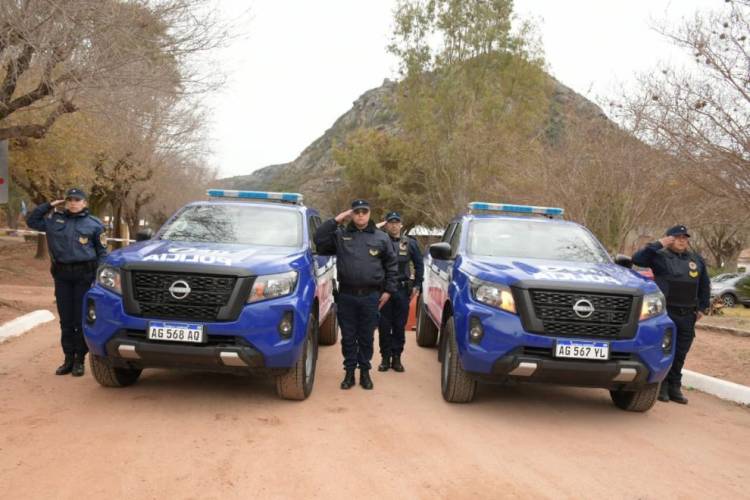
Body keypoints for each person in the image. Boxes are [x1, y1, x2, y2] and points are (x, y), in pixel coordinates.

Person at [314, 199, 397, 390]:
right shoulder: (341, 235)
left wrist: (388, 291)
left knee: (366, 336)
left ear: (369, 213)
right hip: (347, 296)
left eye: (364, 211)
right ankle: (350, 373)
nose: (360, 215)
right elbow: (318, 240)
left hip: (371, 297)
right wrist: (337, 219)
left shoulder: (381, 237)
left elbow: (391, 266)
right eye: (356, 211)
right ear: (351, 214)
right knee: (349, 337)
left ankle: (365, 373)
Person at [26, 188, 108, 377]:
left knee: (80, 319)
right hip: (62, 275)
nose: (73, 203)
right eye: (69, 200)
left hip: (84, 276)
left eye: (77, 200)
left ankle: (80, 360)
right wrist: (49, 205)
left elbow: (103, 253)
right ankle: (68, 359)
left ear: (84, 203)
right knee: (66, 320)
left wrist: (98, 277)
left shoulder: (94, 224)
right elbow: (31, 221)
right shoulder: (54, 220)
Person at [632, 225, 710, 404]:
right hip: (666, 313)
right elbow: (637, 259)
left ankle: (675, 386)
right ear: (669, 239)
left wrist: (702, 307)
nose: (682, 240)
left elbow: (704, 284)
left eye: (685, 237)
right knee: (664, 350)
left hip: (688, 314)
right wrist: (658, 244)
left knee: (681, 352)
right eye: (677, 237)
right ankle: (663, 386)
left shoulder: (695, 259)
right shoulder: (659, 256)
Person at [376, 211, 423, 373]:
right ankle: (384, 358)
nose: (394, 225)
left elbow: (419, 265)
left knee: (399, 325)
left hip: (402, 290)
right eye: (390, 222)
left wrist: (417, 285)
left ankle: (397, 358)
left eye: (397, 222)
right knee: (383, 325)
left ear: (401, 225)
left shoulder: (410, 243)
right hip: (383, 290)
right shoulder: (379, 241)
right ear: (386, 224)